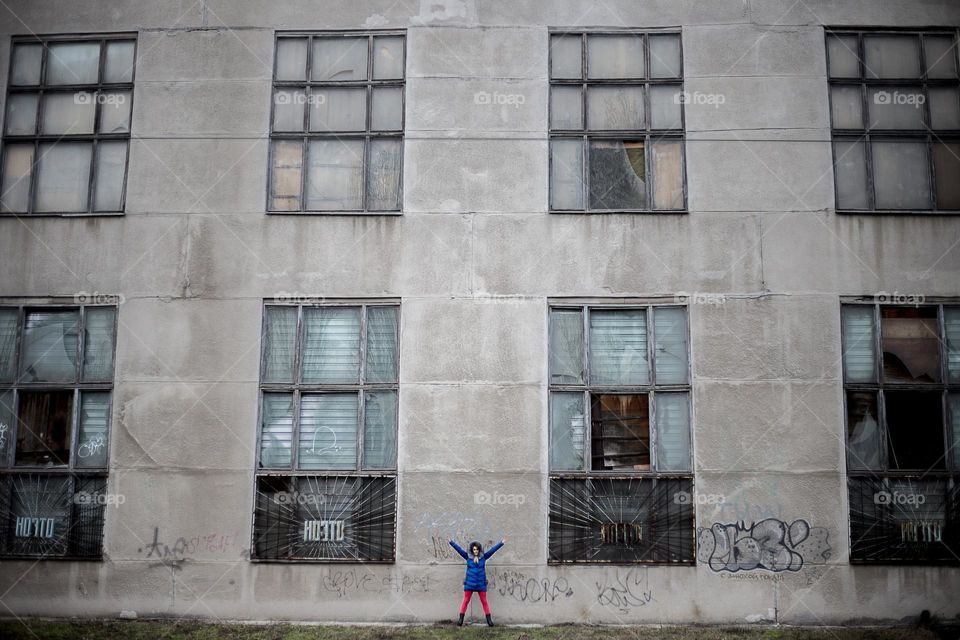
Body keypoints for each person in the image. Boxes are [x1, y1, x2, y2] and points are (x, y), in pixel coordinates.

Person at [449, 536, 505, 626]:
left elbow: (493, 550)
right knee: (466, 601)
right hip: (470, 584)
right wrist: (451, 542)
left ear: (479, 550)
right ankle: (460, 619)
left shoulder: (484, 557)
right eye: (474, 549)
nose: (475, 551)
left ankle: (489, 620)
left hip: (481, 584)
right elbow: (459, 550)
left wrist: (501, 543)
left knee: (484, 602)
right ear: (472, 550)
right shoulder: (468, 557)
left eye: (477, 549)